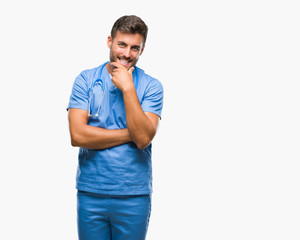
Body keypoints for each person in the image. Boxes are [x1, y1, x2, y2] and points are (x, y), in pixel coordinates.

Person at [67, 15, 164, 240]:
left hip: (133, 195)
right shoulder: (85, 79)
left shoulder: (152, 86)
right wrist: (131, 134)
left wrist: (128, 89)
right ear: (110, 41)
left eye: (134, 48)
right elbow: (78, 135)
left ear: (142, 50)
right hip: (91, 192)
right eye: (122, 44)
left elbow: (143, 140)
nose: (127, 54)